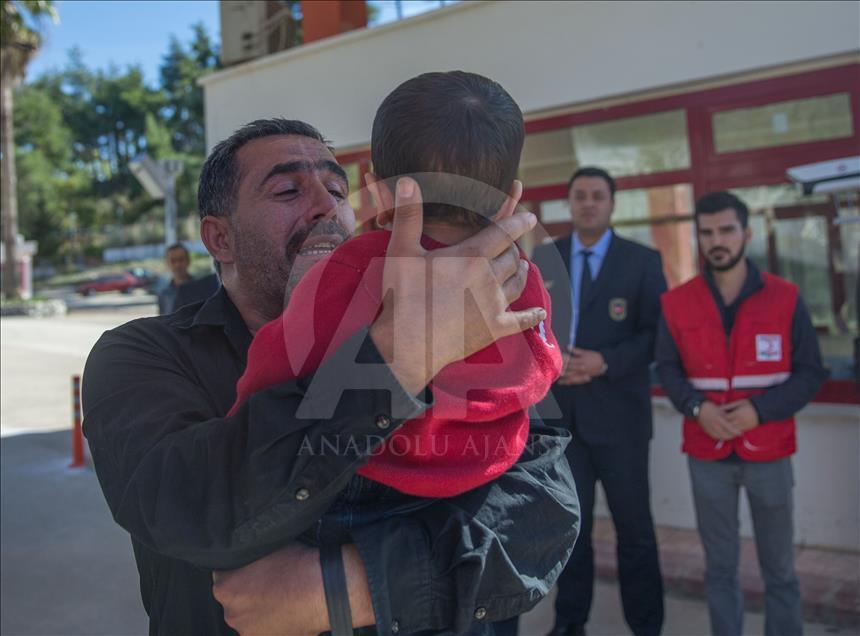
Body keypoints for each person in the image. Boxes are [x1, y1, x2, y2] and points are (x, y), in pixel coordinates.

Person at [82, 117, 580, 636]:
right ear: (220, 237)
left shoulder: (464, 326)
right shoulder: (141, 354)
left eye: (338, 189)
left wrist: (348, 589)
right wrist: (395, 358)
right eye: (288, 189)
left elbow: (547, 511)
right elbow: (180, 505)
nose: (327, 206)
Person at [232, 72, 562, 505]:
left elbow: (276, 363)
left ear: (378, 194)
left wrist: (240, 415)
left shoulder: (354, 265)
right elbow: (544, 365)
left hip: (367, 476)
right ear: (508, 200)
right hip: (491, 475)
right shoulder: (521, 274)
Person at [656, 191, 827, 636]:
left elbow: (811, 373)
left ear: (746, 233)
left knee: (781, 571)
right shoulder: (676, 304)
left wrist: (759, 410)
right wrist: (697, 409)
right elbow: (669, 372)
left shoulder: (786, 297)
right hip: (706, 453)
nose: (717, 240)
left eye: (727, 230)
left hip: (769, 451)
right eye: (707, 231)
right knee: (720, 569)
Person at [533, 166, 666, 636]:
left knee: (635, 533)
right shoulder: (545, 259)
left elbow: (657, 338)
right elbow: (529, 328)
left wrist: (604, 362)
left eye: (598, 196)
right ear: (569, 203)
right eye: (580, 195)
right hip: (563, 422)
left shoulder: (643, 261)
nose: (588, 203)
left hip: (622, 422)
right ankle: (570, 625)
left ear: (612, 204)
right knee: (572, 532)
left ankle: (646, 626)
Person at [156, 242, 192, 314]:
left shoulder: (200, 289)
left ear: (188, 261)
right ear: (167, 264)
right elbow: (163, 321)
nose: (177, 265)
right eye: (173, 261)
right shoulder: (163, 294)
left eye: (181, 260)